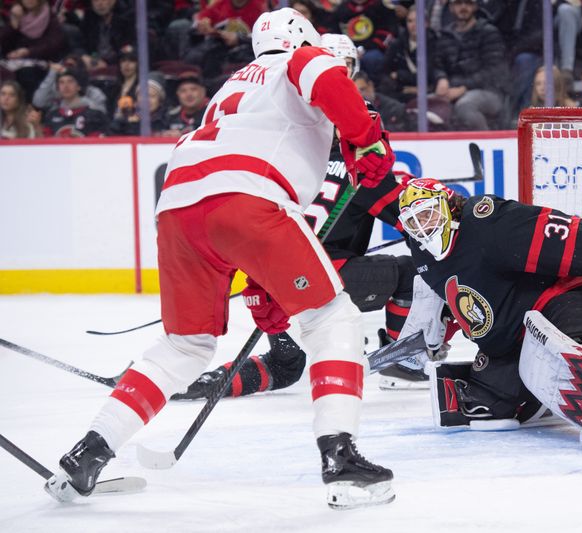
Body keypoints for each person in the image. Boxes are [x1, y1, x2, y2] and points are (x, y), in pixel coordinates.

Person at [44, 8, 397, 510]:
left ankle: (87, 453)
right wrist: (365, 136)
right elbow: (321, 74)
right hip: (248, 198)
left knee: (185, 347)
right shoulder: (300, 62)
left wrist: (263, 279)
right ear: (301, 39)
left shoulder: (234, 86)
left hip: (179, 208)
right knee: (332, 319)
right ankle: (341, 458)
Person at [175, 34, 419, 400]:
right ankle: (401, 362)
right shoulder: (357, 160)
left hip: (268, 281)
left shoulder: (284, 150)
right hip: (322, 281)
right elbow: (405, 214)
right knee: (412, 275)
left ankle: (203, 382)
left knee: (285, 364)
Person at [395, 178, 582, 448]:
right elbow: (457, 295)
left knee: (567, 356)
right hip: (512, 338)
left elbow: (554, 231)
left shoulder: (485, 221)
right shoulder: (422, 253)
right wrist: (434, 334)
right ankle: (538, 402)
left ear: (449, 206)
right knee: (486, 405)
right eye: (413, 221)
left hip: (562, 300)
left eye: (428, 214)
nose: (423, 227)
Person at [433, 0, 508, 130]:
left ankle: (487, 143)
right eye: (458, 3)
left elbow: (494, 71)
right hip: (452, 89)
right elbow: (436, 64)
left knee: (465, 106)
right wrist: (441, 78)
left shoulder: (488, 32)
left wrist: (464, 87)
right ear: (451, 7)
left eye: (468, 3)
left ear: (475, 6)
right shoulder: (444, 35)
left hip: (489, 91)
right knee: (423, 105)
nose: (463, 7)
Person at [41, 68, 109, 137]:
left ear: (78, 86)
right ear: (58, 88)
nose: (66, 86)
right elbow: (45, 141)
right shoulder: (52, 116)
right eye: (61, 82)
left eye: (70, 81)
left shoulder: (96, 115)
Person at [162, 71, 209, 137]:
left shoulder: (212, 114)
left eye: (193, 89)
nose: (188, 94)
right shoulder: (169, 116)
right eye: (183, 91)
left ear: (203, 92)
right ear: (177, 94)